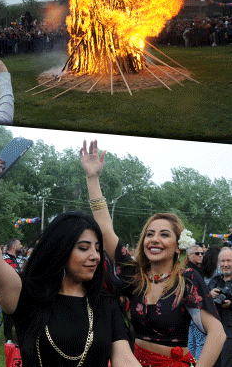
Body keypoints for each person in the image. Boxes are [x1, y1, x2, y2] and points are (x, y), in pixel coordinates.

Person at [0, 156, 140, 366]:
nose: (95, 256)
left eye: (98, 249)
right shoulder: (27, 295)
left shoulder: (105, 303)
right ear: (60, 251)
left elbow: (125, 359)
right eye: (83, 248)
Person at [80, 140, 224, 367]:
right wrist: (92, 178)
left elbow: (217, 334)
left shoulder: (187, 279)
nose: (155, 239)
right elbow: (106, 231)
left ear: (178, 246)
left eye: (164, 234)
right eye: (150, 234)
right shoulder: (135, 276)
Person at [209, 247, 232, 367]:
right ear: (219, 263)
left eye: (229, 261)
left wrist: (230, 304)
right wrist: (209, 295)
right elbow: (200, 301)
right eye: (223, 261)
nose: (225, 264)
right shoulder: (215, 280)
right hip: (214, 330)